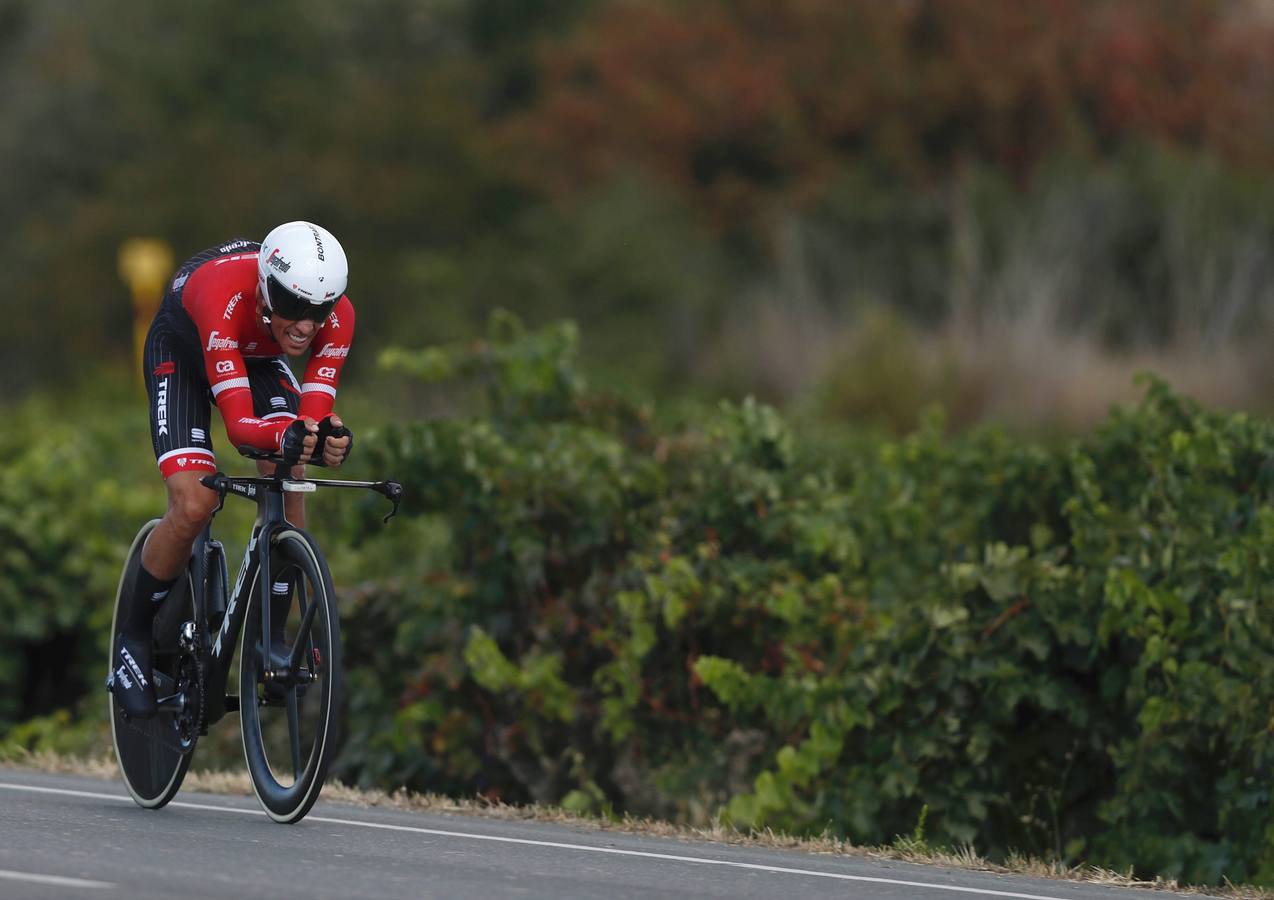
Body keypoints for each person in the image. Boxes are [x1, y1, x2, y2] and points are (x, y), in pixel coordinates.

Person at [110, 221, 355, 719]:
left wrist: (327, 436)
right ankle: (132, 639)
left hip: (255, 356)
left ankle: (272, 638)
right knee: (196, 501)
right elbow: (242, 428)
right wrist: (287, 433)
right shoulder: (222, 293)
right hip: (182, 354)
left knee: (291, 472)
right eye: (294, 306)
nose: (306, 325)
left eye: (319, 310)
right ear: (266, 288)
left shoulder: (339, 316)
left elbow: (313, 408)